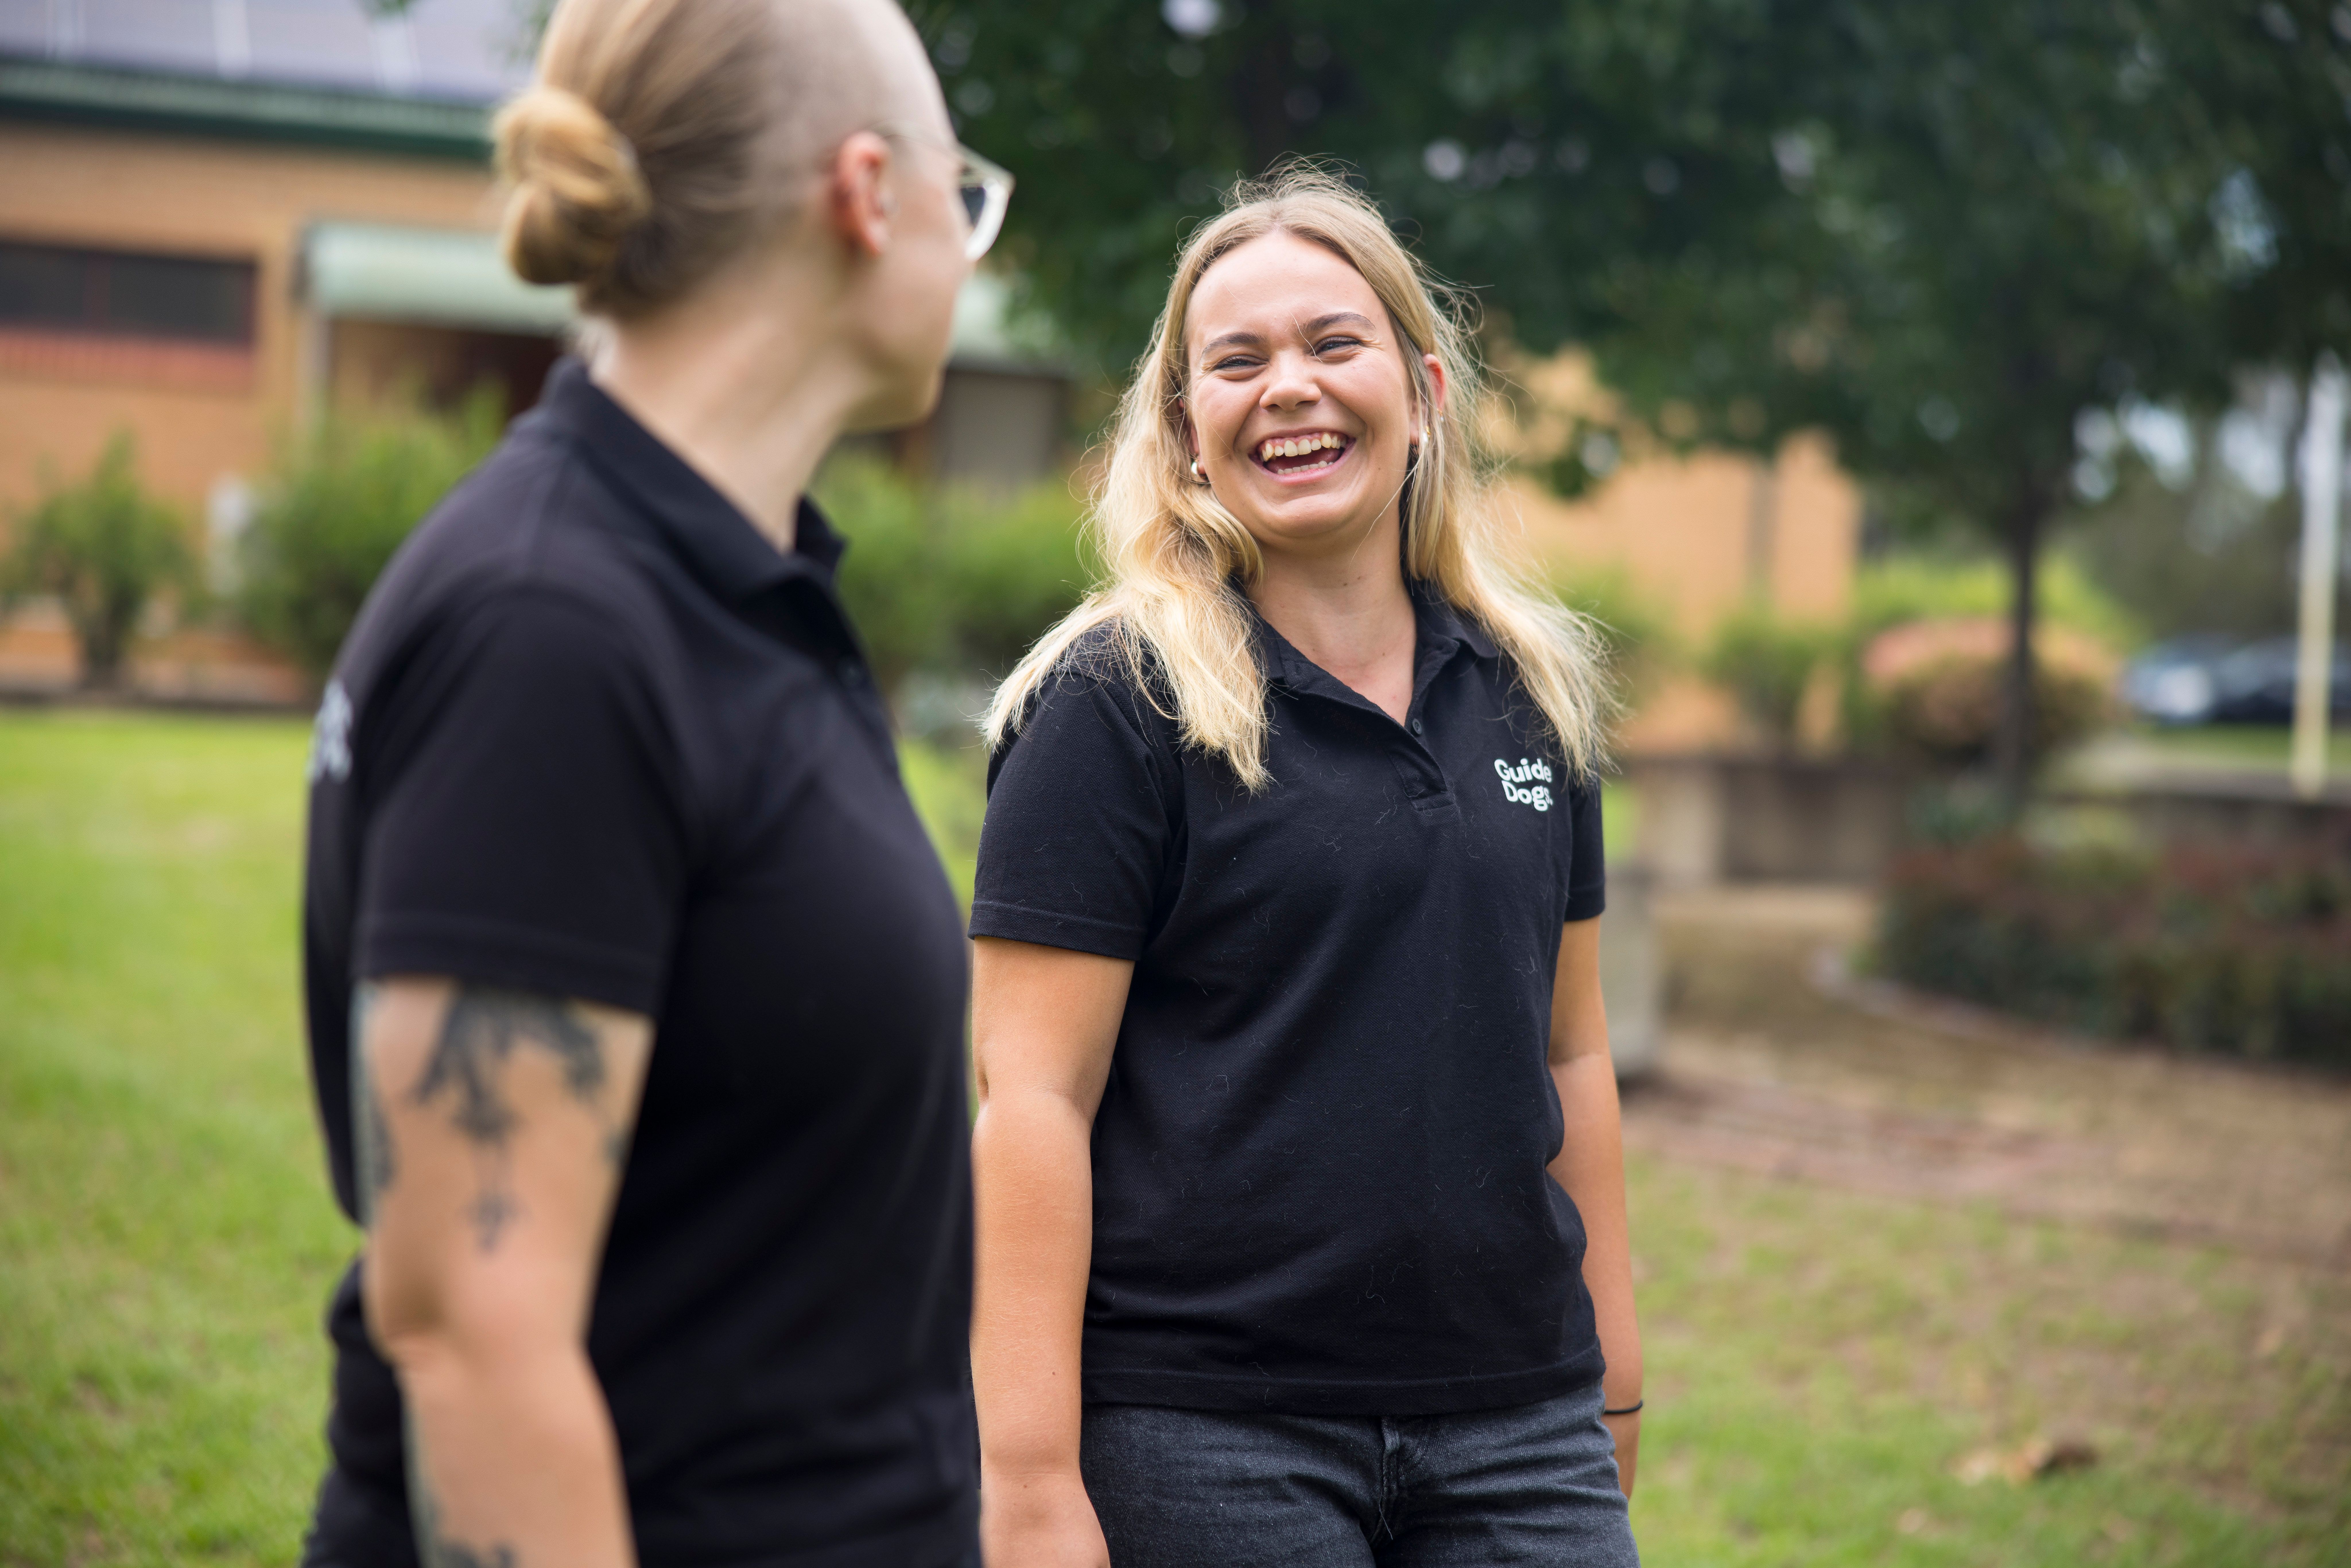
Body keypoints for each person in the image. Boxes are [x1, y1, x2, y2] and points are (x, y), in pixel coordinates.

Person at [295, 1, 1013, 1564]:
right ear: (866, 192)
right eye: (963, 193)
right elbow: (473, 1336)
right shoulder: (550, 629)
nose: (970, 247)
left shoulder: (734, 587)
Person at [967, 167, 1642, 1568]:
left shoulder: (1530, 692)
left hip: (1521, 1424)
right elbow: (1030, 1101)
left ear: (1425, 393)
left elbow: (1571, 1052)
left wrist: (1613, 1373)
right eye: (1237, 361)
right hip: (1206, 1431)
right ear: (1184, 430)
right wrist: (1027, 1480)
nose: (1289, 387)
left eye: (1334, 343)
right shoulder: (1114, 703)